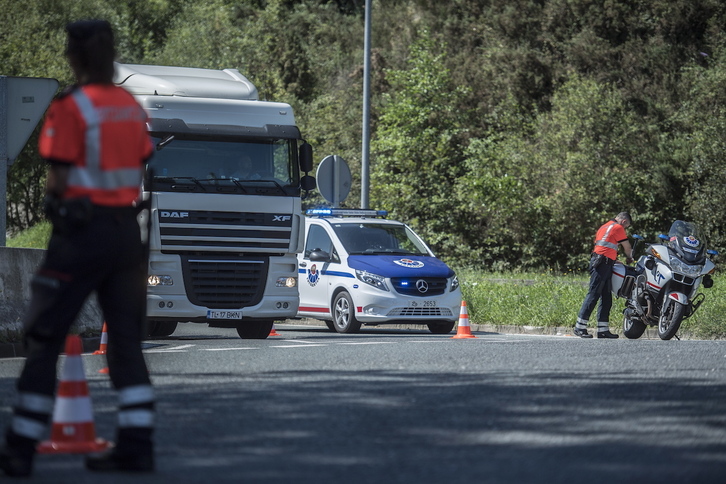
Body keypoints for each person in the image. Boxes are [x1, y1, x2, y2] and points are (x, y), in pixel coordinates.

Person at [0, 20, 155, 477]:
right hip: (127, 235)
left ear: (74, 56)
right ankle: (138, 446)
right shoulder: (129, 105)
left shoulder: (72, 106)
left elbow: (59, 178)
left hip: (81, 233)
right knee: (126, 343)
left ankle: (21, 448)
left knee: (44, 335)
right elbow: (140, 158)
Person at [574, 212, 634, 339]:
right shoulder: (618, 227)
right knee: (593, 294)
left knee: (607, 297)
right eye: (626, 226)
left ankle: (603, 330)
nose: (625, 229)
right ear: (624, 222)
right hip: (602, 264)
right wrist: (630, 258)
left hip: (603, 262)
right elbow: (627, 247)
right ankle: (579, 327)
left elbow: (604, 246)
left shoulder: (604, 226)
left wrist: (612, 259)